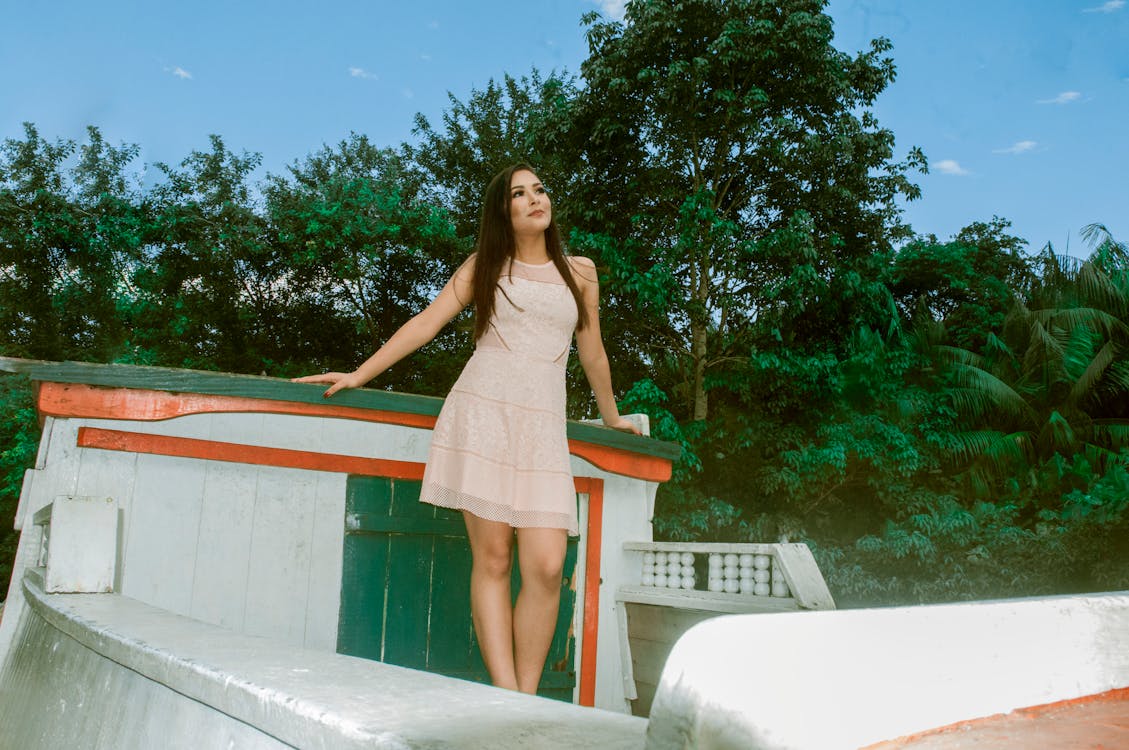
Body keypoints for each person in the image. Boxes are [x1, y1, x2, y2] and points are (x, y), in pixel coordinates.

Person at [294, 163, 639, 694]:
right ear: (504, 212)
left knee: (547, 566)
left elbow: (591, 349)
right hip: (482, 418)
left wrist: (612, 415)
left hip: (542, 434)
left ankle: (525, 697)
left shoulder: (581, 272)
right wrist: (360, 372)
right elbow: (426, 323)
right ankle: (511, 699)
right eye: (519, 194)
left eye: (540, 189)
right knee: (495, 558)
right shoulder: (485, 265)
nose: (534, 199)